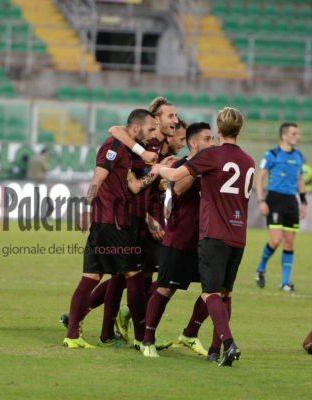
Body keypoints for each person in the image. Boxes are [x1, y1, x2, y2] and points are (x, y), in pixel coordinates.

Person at [152, 107, 255, 366]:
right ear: (240, 129)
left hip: (214, 233)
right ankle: (213, 351)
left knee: (210, 293)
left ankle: (228, 343)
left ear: (218, 129)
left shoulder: (212, 155)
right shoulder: (249, 161)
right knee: (225, 294)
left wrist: (158, 168)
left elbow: (175, 176)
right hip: (239, 234)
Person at [63, 109, 157, 349]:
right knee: (134, 276)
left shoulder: (127, 147)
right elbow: (97, 178)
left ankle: (72, 336)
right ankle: (143, 340)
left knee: (91, 277)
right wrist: (86, 208)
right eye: (150, 129)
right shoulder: (113, 145)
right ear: (135, 128)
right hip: (112, 222)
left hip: (106, 221)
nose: (152, 135)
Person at [142, 122, 215, 359]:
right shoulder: (180, 165)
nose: (212, 143)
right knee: (166, 288)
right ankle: (147, 340)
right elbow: (180, 189)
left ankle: (190, 333)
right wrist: (197, 167)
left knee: (214, 290)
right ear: (193, 143)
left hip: (206, 239)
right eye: (207, 139)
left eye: (213, 139)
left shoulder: (213, 167)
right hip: (180, 237)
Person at [255, 123, 307, 292]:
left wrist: (304, 202)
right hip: (275, 201)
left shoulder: (298, 155)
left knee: (289, 244)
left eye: (298, 134)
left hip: (291, 202)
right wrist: (261, 201)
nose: (297, 137)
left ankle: (285, 283)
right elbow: (259, 178)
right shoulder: (272, 154)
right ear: (284, 136)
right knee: (276, 241)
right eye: (294, 134)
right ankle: (261, 268)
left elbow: (300, 180)